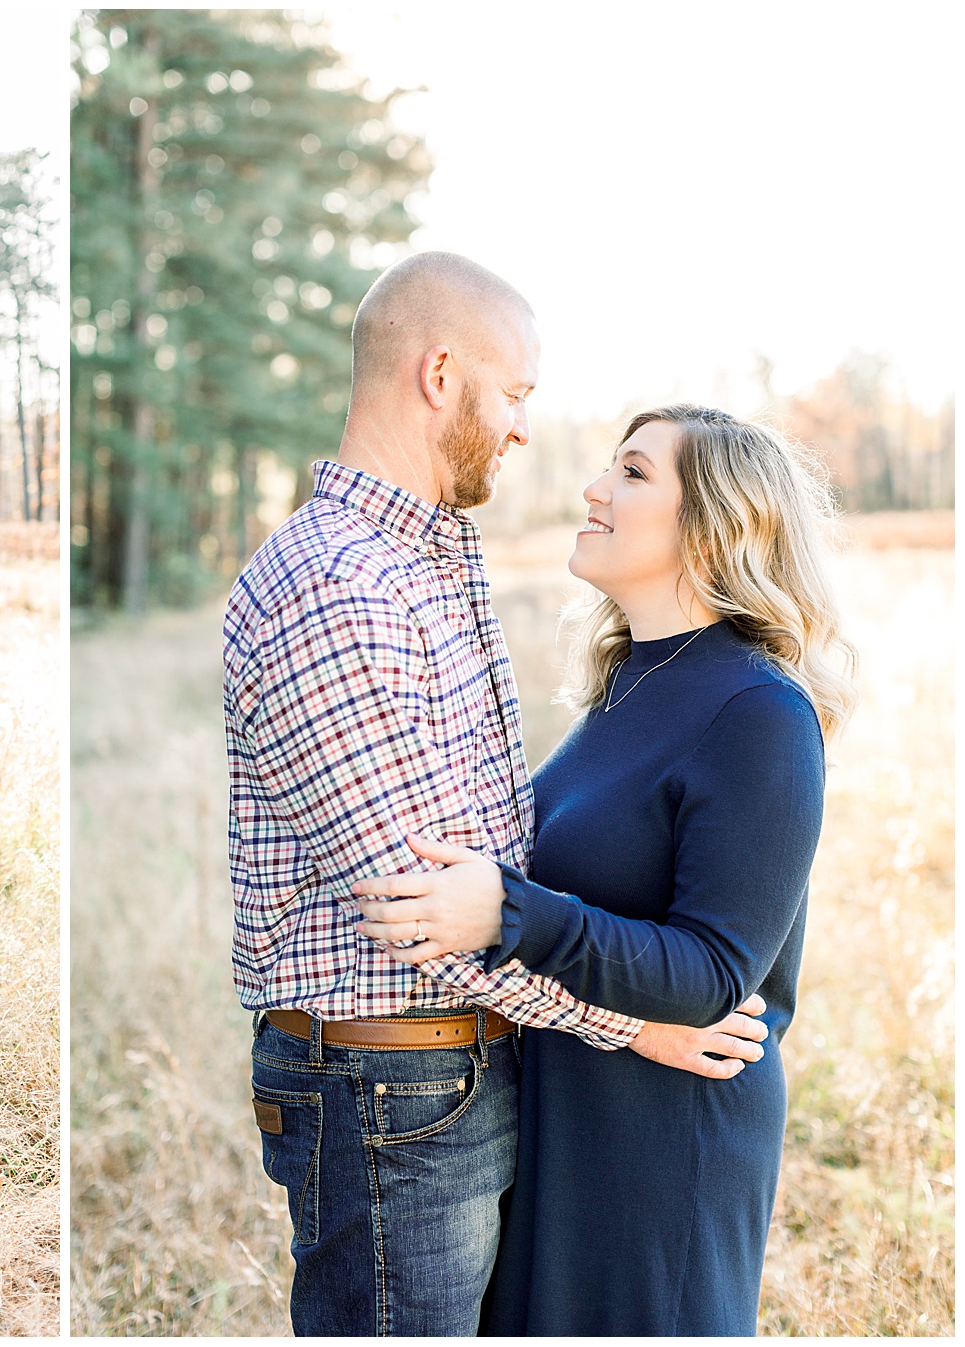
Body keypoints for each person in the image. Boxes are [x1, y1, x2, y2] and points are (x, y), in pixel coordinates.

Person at [222, 252, 768, 1336]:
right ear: (439, 376)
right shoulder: (339, 585)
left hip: (442, 1075)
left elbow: (488, 853)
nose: (523, 429)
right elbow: (419, 905)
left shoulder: (416, 561)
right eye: (513, 393)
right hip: (392, 1086)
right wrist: (635, 1025)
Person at [352, 405, 855, 1335]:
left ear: (716, 525)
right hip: (565, 1118)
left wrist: (510, 912)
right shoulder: (632, 679)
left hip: (663, 1146)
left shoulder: (758, 712)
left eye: (632, 473)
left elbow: (712, 975)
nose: (594, 489)